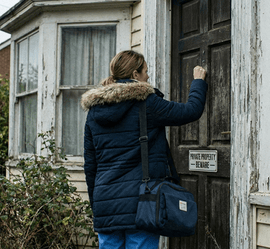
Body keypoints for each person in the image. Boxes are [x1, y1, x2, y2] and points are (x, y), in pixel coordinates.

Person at [81, 50, 207, 249]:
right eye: (145, 72)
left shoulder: (94, 112)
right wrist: (198, 81)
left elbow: (90, 165)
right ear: (135, 75)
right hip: (142, 203)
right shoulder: (147, 103)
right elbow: (191, 111)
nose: (148, 77)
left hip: (105, 202)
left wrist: (96, 204)